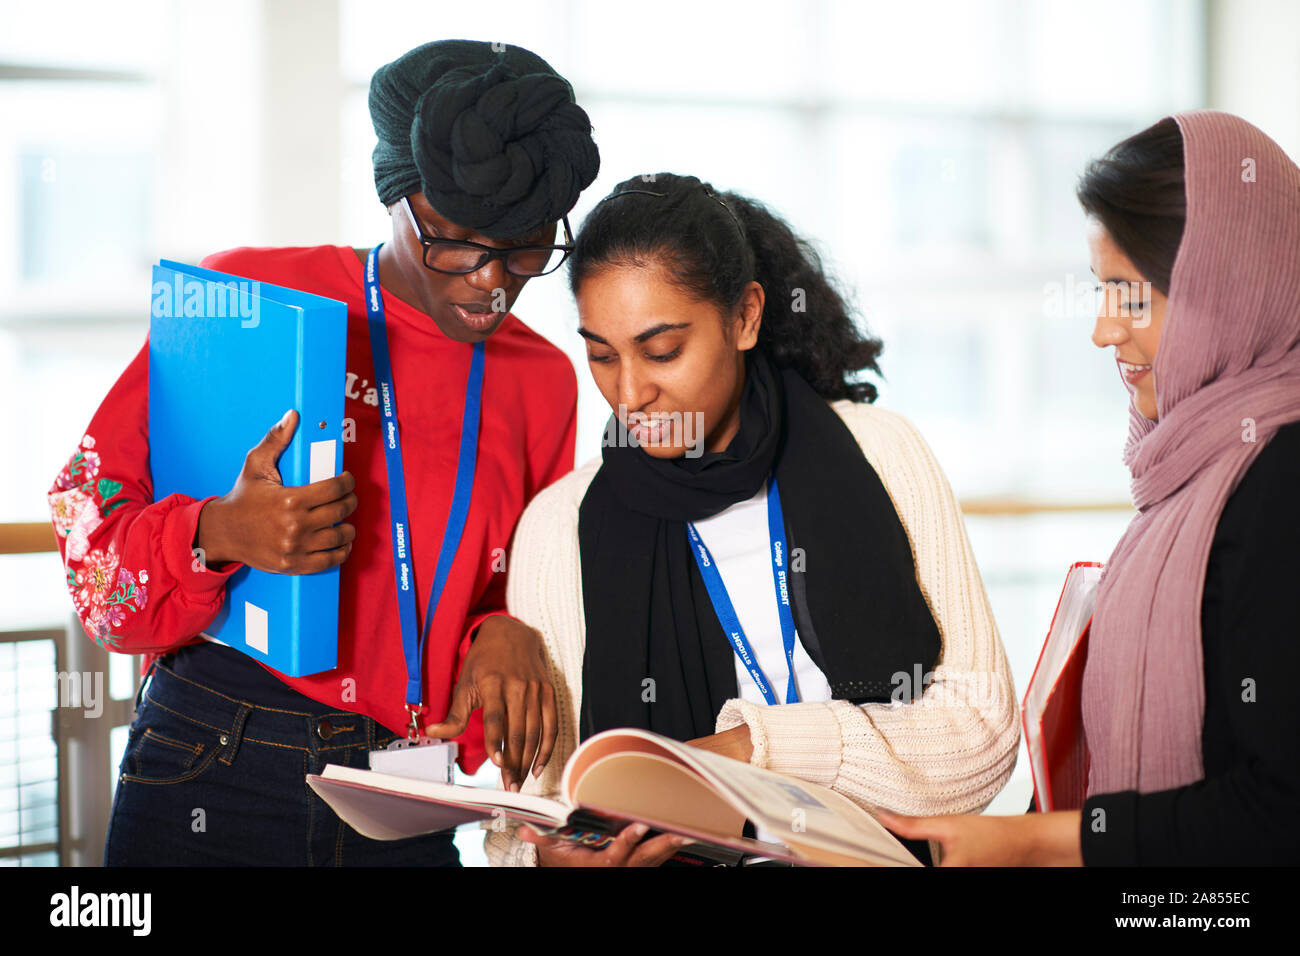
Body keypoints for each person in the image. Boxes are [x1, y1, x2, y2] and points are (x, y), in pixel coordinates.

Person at [46, 39, 600, 866]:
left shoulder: (543, 381)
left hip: (406, 786)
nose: (491, 282)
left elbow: (515, 582)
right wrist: (216, 533)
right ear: (395, 201)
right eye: (456, 244)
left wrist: (502, 629)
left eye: (525, 252)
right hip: (216, 752)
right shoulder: (246, 298)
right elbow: (85, 527)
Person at [482, 173, 1020, 867]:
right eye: (601, 354)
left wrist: (749, 751)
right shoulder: (558, 528)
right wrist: (541, 861)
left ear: (745, 317)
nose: (631, 392)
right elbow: (535, 811)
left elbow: (981, 734)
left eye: (663, 350)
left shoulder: (881, 452)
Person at [880, 110, 1300, 865]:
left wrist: (1034, 843)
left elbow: (1278, 814)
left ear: (1227, 289)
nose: (1104, 331)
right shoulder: (1191, 470)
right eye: (1101, 291)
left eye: (1131, 297)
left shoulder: (1280, 482)